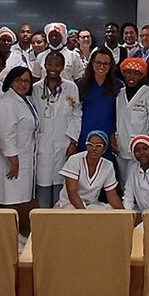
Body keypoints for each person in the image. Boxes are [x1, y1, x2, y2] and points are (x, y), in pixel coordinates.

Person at [32, 50, 83, 209]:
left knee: (62, 186)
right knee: (43, 184)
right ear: (44, 65)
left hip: (64, 142)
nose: (53, 68)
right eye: (49, 64)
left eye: (57, 64)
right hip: (42, 143)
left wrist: (73, 140)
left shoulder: (71, 87)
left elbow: (76, 114)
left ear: (63, 67)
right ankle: (42, 225)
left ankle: (58, 225)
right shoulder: (35, 88)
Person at [0, 67, 38, 214]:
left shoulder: (24, 100)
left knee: (19, 197)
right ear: (10, 81)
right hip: (11, 160)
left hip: (24, 156)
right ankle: (10, 234)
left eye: (26, 81)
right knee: (9, 198)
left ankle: (18, 234)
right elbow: (5, 135)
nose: (22, 84)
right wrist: (13, 160)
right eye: (18, 80)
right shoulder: (7, 103)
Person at [114, 57, 149, 191]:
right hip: (121, 146)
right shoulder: (119, 93)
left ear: (141, 75)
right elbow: (117, 119)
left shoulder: (148, 93)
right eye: (128, 72)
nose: (131, 76)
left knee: (140, 183)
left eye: (136, 73)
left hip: (141, 149)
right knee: (124, 182)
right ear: (123, 73)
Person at [57, 131, 123, 210]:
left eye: (98, 146)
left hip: (91, 205)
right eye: (90, 145)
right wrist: (85, 215)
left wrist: (123, 213)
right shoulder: (74, 160)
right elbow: (72, 192)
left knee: (111, 210)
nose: (94, 148)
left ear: (104, 149)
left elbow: (111, 194)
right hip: (70, 203)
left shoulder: (108, 165)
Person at [77, 48, 122, 154]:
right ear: (92, 63)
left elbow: (121, 113)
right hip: (85, 134)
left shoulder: (118, 86)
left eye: (106, 63)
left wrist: (114, 134)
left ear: (111, 65)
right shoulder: (81, 85)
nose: (102, 66)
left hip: (108, 135)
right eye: (98, 62)